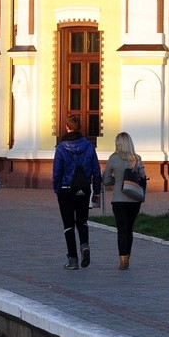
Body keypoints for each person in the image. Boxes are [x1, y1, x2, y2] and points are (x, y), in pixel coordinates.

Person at [52, 115, 101, 269]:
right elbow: (96, 171)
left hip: (66, 190)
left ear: (67, 127)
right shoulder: (89, 146)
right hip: (83, 189)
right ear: (79, 127)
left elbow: (57, 172)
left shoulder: (61, 148)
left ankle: (73, 259)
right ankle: (85, 246)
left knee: (68, 225)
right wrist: (96, 191)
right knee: (82, 221)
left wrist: (57, 190)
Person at [101, 131, 146, 269]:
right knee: (129, 228)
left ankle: (122, 259)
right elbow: (143, 177)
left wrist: (118, 180)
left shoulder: (113, 159)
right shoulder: (137, 159)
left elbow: (106, 180)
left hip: (119, 199)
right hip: (134, 199)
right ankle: (128, 257)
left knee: (121, 229)